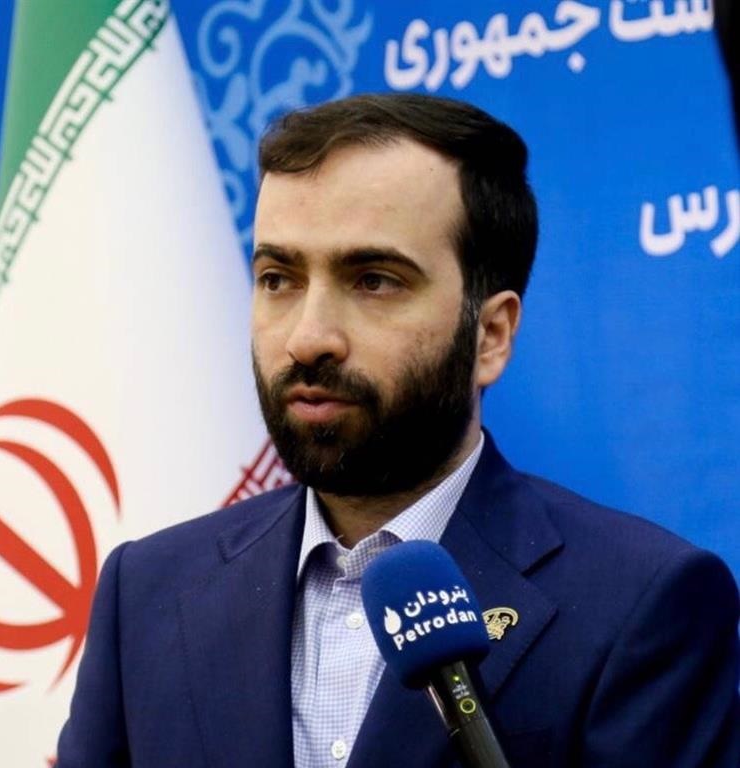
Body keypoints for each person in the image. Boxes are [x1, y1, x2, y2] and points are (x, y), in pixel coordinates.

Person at [56, 94, 739, 767]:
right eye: (278, 278)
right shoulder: (146, 593)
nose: (307, 338)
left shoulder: (640, 605)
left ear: (490, 335)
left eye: (374, 280)